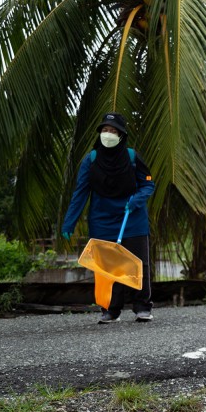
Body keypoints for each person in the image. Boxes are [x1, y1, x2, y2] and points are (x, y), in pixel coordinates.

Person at [61, 112, 156, 324]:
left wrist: (137, 200)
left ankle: (142, 307)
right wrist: (69, 222)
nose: (108, 134)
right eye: (105, 130)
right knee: (106, 268)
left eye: (113, 131)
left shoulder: (132, 157)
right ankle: (110, 310)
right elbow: (81, 193)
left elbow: (148, 183)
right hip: (102, 220)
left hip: (131, 218)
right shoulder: (91, 160)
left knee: (137, 264)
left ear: (121, 135)